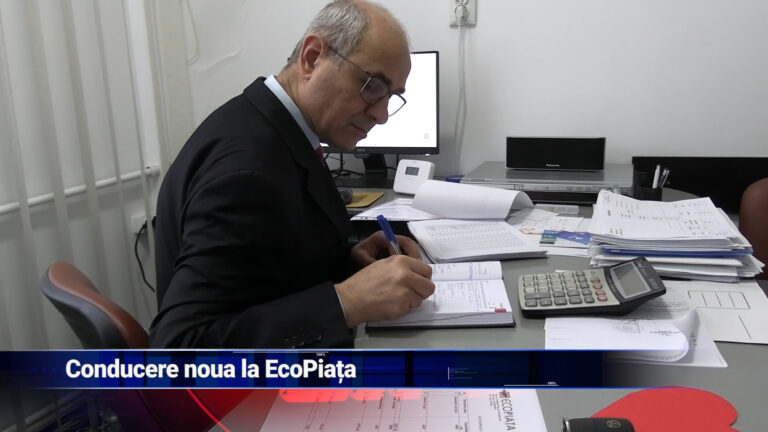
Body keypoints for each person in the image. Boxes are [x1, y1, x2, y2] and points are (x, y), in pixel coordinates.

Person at [149, 0, 435, 348]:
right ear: (312, 58)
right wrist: (345, 301)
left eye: (391, 97)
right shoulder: (247, 172)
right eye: (373, 86)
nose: (382, 115)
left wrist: (349, 259)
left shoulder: (276, 129)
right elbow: (180, 347)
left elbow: (270, 262)